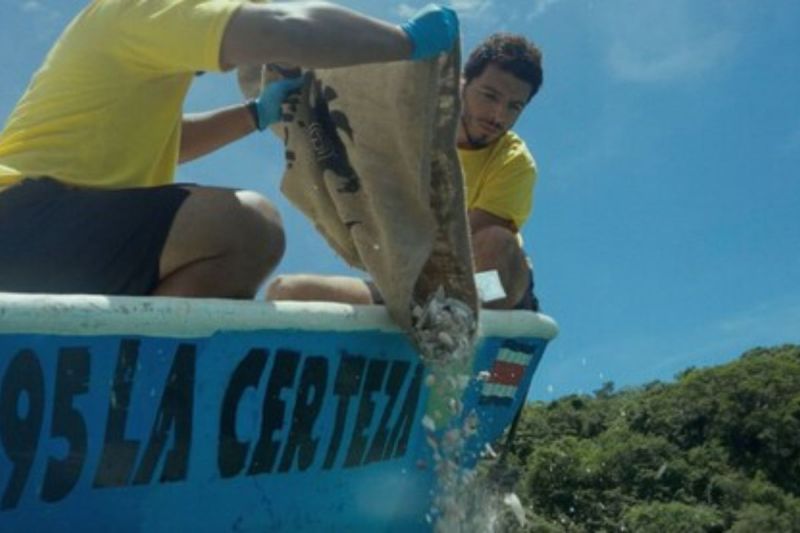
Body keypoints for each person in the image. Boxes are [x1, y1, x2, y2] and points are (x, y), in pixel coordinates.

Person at [0, 1, 458, 299]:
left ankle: (121, 384)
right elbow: (282, 29)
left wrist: (257, 114)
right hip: (20, 218)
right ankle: (141, 391)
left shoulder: (128, 49)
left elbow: (169, 141)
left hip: (44, 231)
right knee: (247, 226)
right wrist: (407, 43)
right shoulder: (141, 9)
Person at [267, 33, 544, 310]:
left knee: (497, 242)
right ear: (462, 83)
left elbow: (462, 248)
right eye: (489, 95)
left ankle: (468, 331)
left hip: (486, 290)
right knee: (287, 292)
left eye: (514, 106)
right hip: (413, 291)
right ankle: (422, 328)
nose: (498, 115)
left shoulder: (514, 161)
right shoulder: (411, 128)